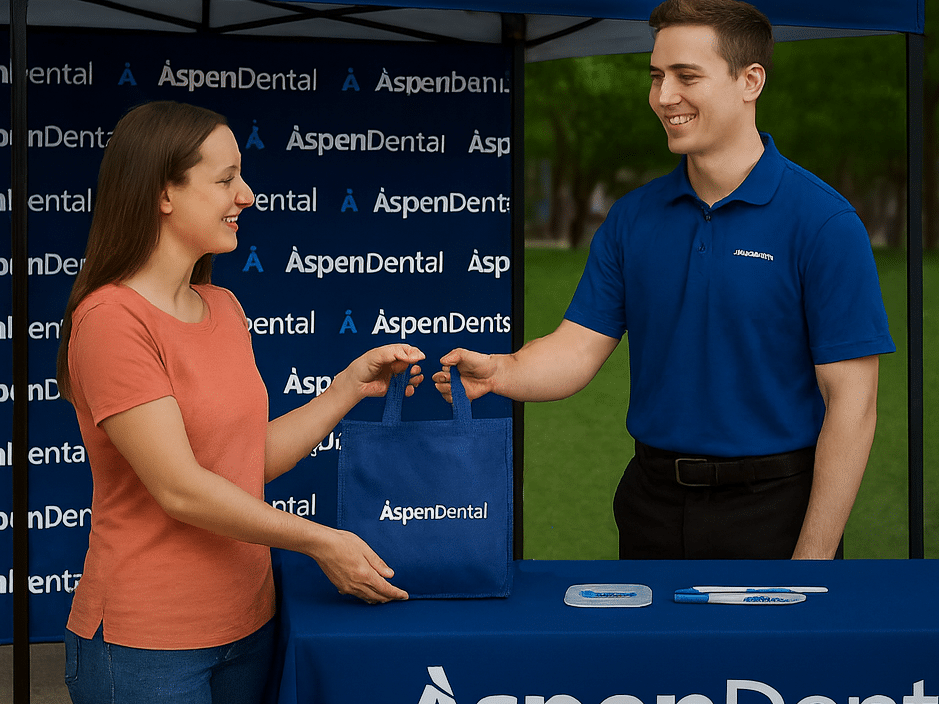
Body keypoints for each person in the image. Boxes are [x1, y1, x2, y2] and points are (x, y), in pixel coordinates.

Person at [433, 0, 895, 561]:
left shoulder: (824, 222)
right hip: (651, 507)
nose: (663, 96)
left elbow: (853, 403)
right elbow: (577, 349)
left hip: (774, 512)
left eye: (686, 76)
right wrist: (503, 371)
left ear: (750, 81)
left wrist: (814, 560)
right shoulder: (632, 218)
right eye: (656, 76)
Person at [56, 100, 424, 704]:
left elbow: (242, 462)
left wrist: (348, 388)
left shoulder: (223, 307)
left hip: (249, 625)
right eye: (225, 179)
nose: (247, 195)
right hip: (148, 644)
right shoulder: (110, 320)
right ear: (162, 194)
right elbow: (180, 488)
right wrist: (320, 540)